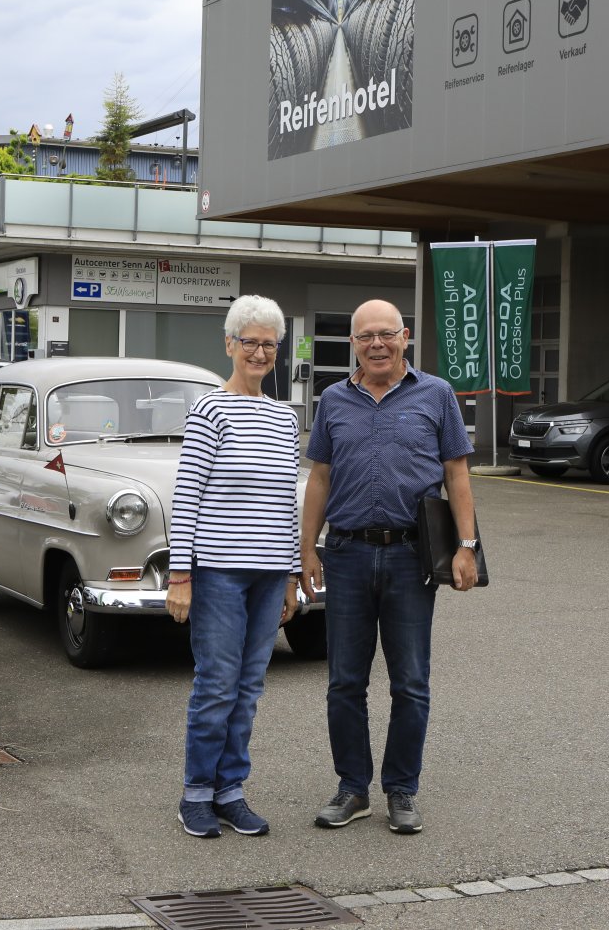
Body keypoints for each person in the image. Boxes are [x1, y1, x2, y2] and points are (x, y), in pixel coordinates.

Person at [300, 298, 478, 835]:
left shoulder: (437, 394)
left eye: (386, 334)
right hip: (347, 554)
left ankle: (401, 790)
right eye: (365, 336)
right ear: (353, 344)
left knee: (411, 682)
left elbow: (457, 473)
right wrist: (306, 549)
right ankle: (352, 788)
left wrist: (467, 545)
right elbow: (320, 478)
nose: (376, 344)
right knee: (344, 683)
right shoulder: (333, 399)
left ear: (405, 337)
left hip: (410, 556)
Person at [167, 295, 302, 838]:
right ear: (229, 345)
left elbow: (287, 502)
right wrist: (180, 576)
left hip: (270, 575)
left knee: (248, 689)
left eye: (270, 344)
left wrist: (292, 575)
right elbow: (186, 496)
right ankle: (196, 793)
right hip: (219, 572)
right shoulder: (209, 410)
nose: (260, 353)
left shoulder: (285, 418)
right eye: (250, 342)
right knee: (218, 686)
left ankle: (231, 791)